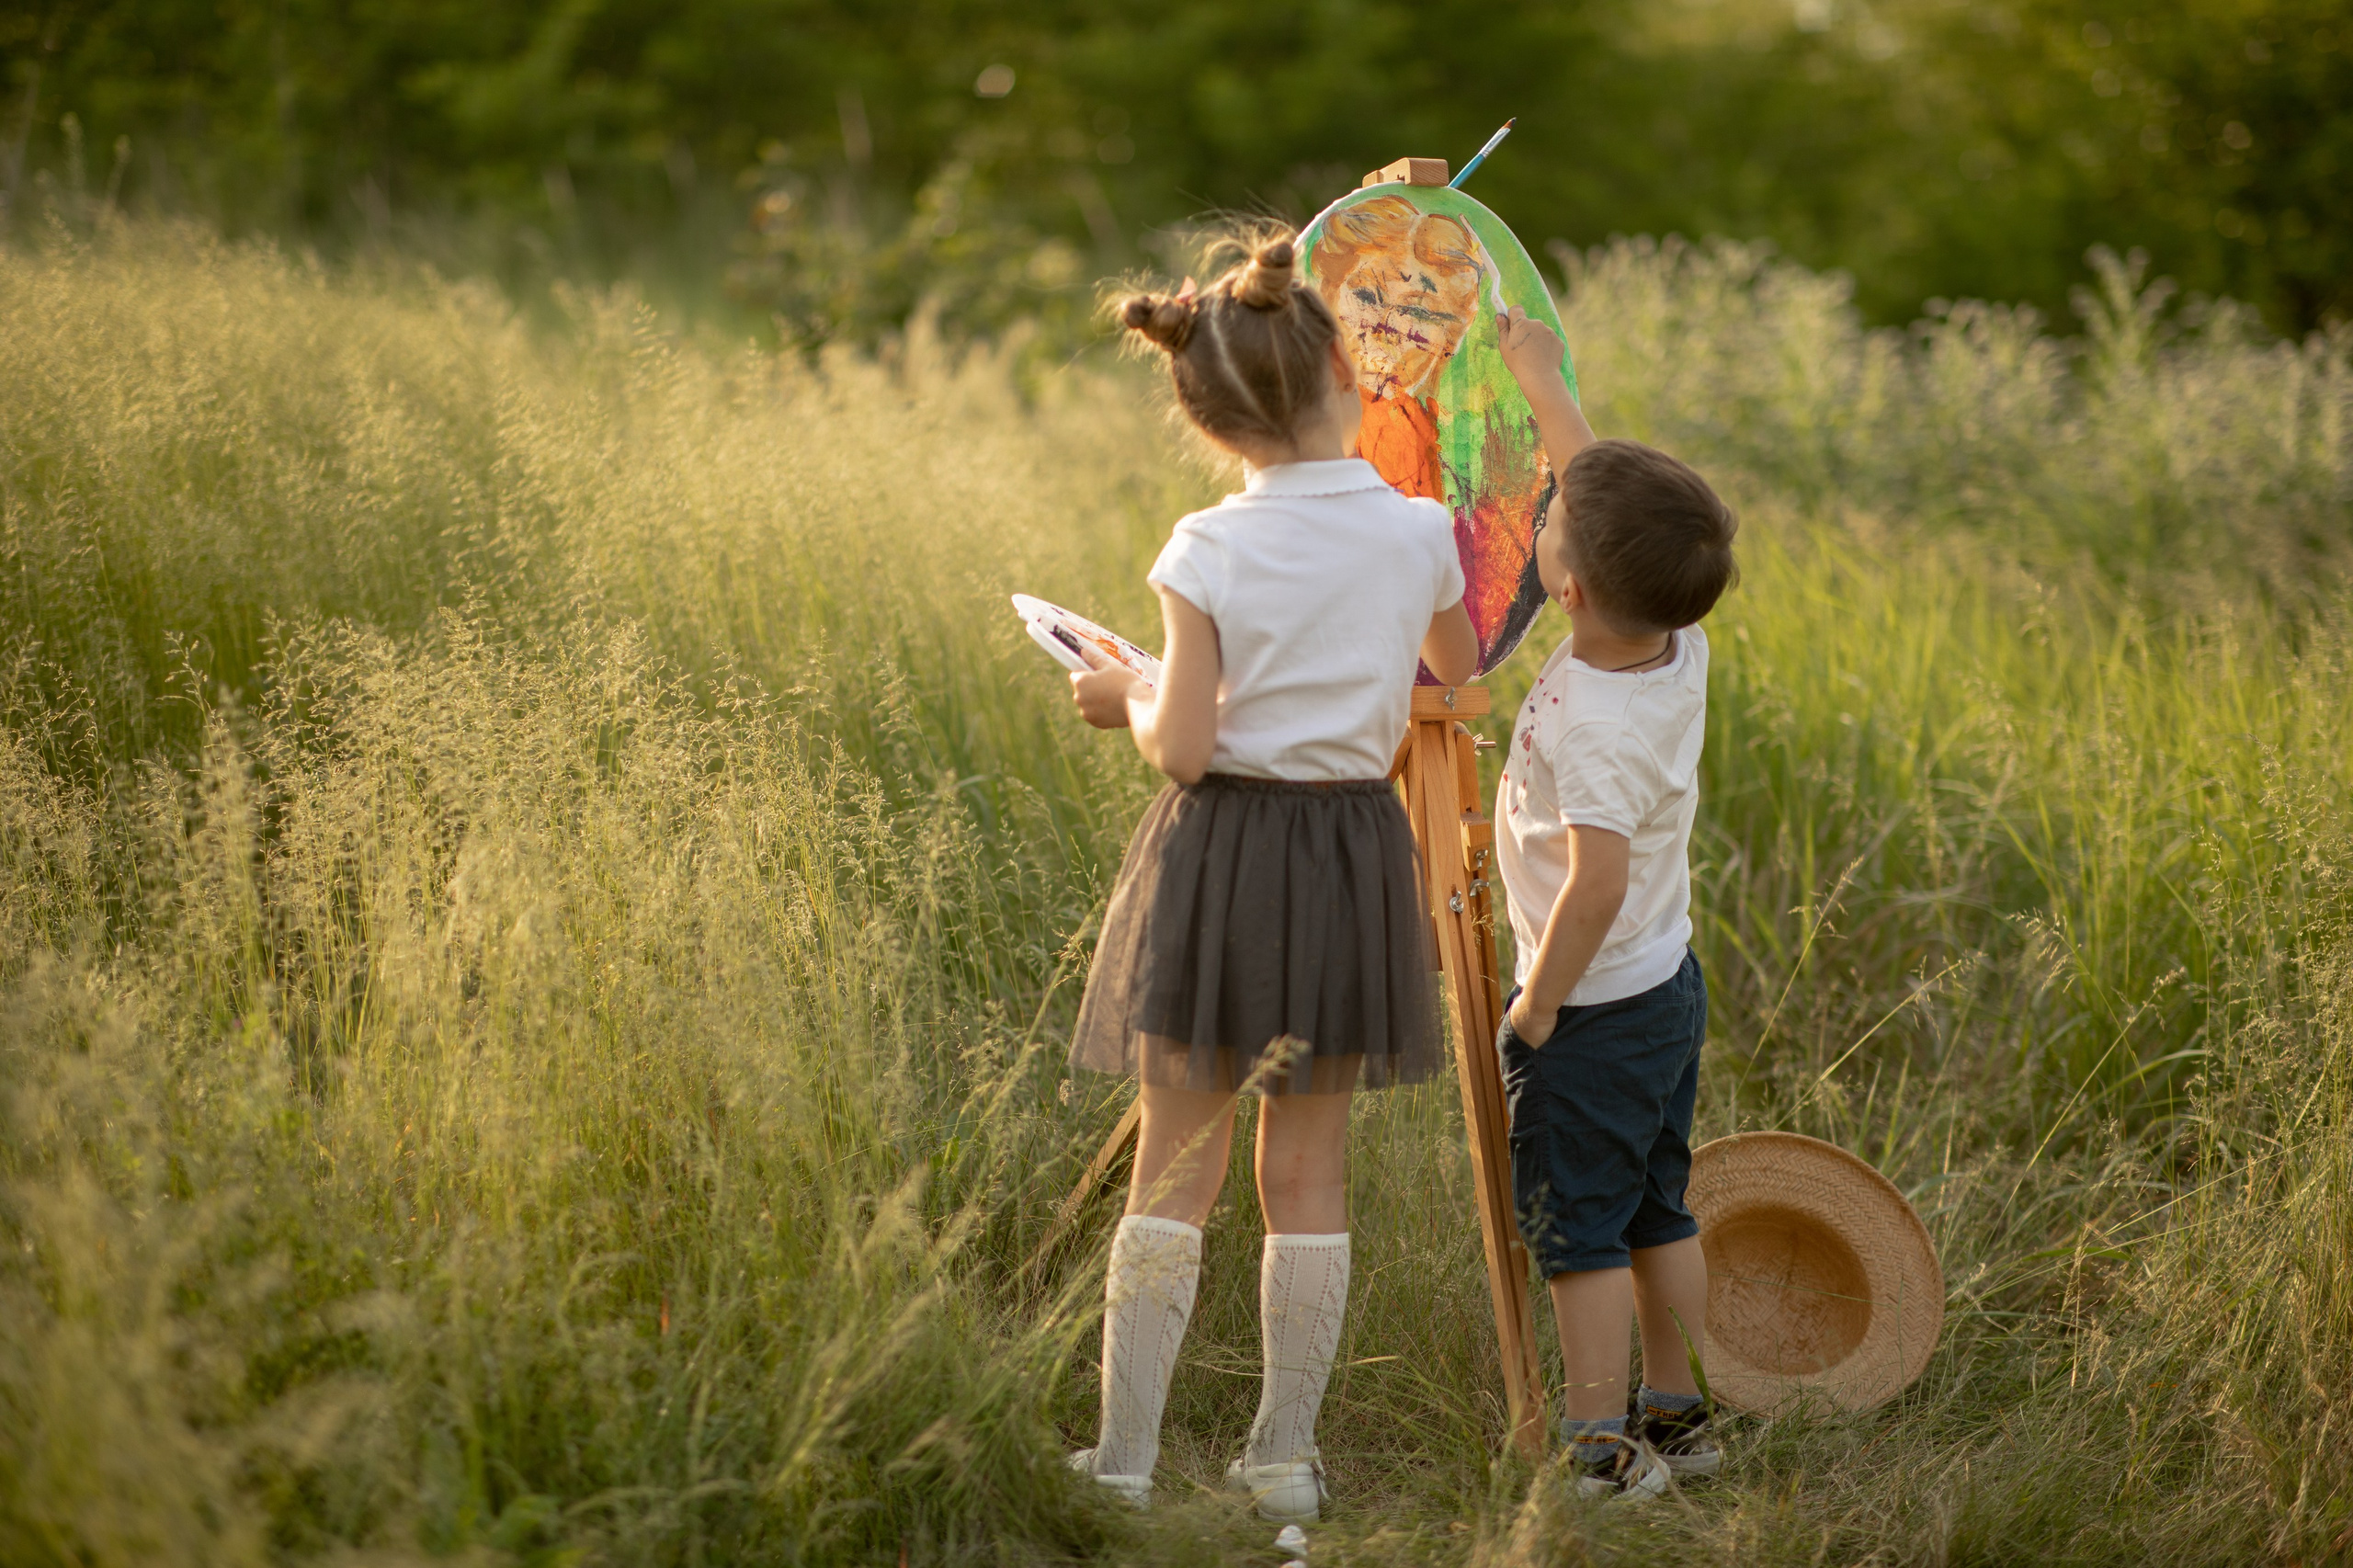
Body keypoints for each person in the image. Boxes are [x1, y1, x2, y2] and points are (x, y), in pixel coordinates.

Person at [1063, 232, 1480, 1523]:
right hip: (1355, 851)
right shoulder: (1418, 532)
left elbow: (1182, 748)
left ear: (1208, 420)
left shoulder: (1205, 548)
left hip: (1228, 850)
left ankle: (1124, 1463)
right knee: (1309, 1170)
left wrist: (1125, 691)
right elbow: (1455, 668)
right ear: (1350, 377)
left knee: (1173, 1167)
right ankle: (1283, 1458)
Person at [1489, 305, 1740, 1501]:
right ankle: (1681, 1409)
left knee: (1578, 1231)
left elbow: (1595, 882)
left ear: (1569, 584)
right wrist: (1541, 380)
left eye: (1550, 523)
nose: (1542, 510)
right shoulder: (1672, 643)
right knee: (1656, 1207)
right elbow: (1596, 496)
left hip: (1588, 1006)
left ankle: (1598, 1445)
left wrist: (1534, 1008)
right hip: (1664, 984)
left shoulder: (1595, 725)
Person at [1311, 195, 1552, 669]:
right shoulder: (1335, 431)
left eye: (1422, 314)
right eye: (1366, 297)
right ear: (1325, 298)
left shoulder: (1422, 430)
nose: (1389, 327)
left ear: (1455, 337)